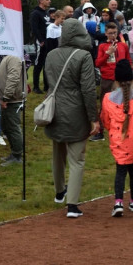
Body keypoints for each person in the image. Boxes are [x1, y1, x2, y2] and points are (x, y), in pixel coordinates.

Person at [43, 19, 99, 217]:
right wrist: (94, 117)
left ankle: (60, 192)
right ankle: (72, 205)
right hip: (75, 111)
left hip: (55, 109)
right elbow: (88, 89)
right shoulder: (84, 55)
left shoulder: (51, 54)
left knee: (57, 153)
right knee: (77, 159)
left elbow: (47, 81)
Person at [100, 60, 133, 217]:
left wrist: (113, 132)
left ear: (116, 80)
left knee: (120, 170)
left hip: (118, 139)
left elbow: (106, 120)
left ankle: (118, 202)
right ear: (132, 79)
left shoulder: (107, 98)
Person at [93, 22, 131, 141]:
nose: (113, 35)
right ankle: (100, 131)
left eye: (114, 33)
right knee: (105, 106)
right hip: (108, 79)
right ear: (106, 33)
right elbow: (98, 63)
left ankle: (125, 128)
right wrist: (107, 54)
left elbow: (129, 60)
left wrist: (129, 73)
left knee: (124, 104)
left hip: (122, 80)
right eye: (110, 33)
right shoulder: (103, 46)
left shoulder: (123, 46)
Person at [0, 54, 25, 167]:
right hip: (8, 99)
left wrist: (6, 97)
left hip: (11, 100)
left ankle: (17, 156)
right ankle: (14, 154)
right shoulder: (8, 57)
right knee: (7, 127)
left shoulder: (13, 57)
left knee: (13, 128)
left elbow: (13, 77)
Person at [29, 0, 51, 93]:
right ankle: (36, 86)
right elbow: (35, 28)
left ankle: (46, 86)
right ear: (41, 1)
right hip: (40, 42)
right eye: (47, 0)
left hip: (47, 41)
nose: (49, 1)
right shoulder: (35, 13)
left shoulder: (46, 13)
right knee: (38, 64)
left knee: (47, 64)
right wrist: (40, 40)